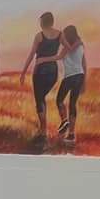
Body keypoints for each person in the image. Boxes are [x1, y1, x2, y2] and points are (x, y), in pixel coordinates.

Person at [36, 24, 87, 146]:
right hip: (79, 76)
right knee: (72, 104)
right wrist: (84, 81)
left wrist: (43, 59)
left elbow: (58, 57)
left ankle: (65, 121)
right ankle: (71, 134)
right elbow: (84, 64)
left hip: (69, 77)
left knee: (59, 100)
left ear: (68, 35)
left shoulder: (67, 48)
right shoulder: (80, 45)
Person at [19, 12, 62, 141]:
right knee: (42, 98)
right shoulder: (60, 35)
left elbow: (32, 54)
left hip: (40, 71)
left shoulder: (39, 36)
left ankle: (43, 130)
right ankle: (44, 128)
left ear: (43, 22)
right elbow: (67, 50)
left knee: (39, 99)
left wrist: (23, 72)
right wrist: (53, 58)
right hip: (53, 71)